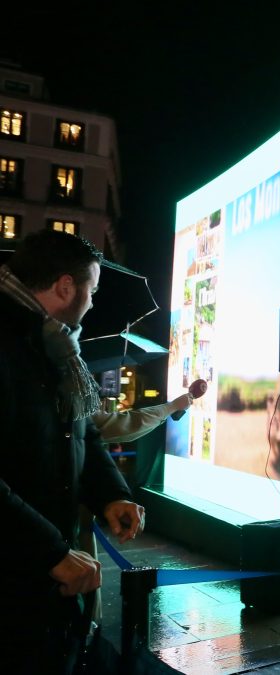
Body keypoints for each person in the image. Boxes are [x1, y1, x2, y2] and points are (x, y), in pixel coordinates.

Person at [0, 230, 145, 674]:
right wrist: (50, 553)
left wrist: (111, 494)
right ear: (66, 287)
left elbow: (82, 434)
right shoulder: (10, 345)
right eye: (92, 290)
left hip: (47, 582)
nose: (93, 303)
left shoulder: (58, 347)